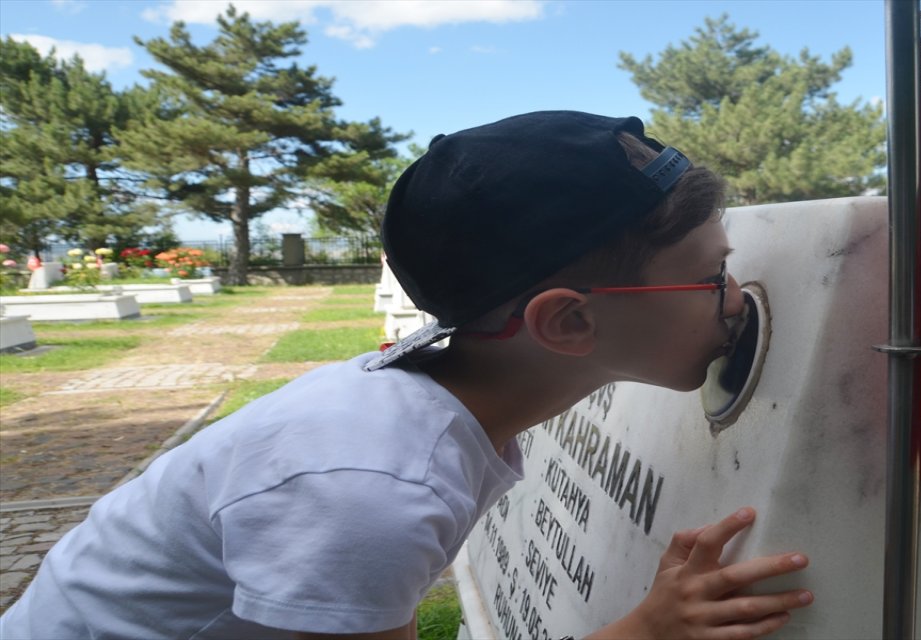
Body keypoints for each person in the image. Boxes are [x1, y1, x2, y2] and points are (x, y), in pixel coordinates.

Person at [0, 111, 812, 639]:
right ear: (567, 322)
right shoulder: (373, 486)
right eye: (712, 276)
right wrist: (646, 631)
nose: (736, 302)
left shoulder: (420, 410)